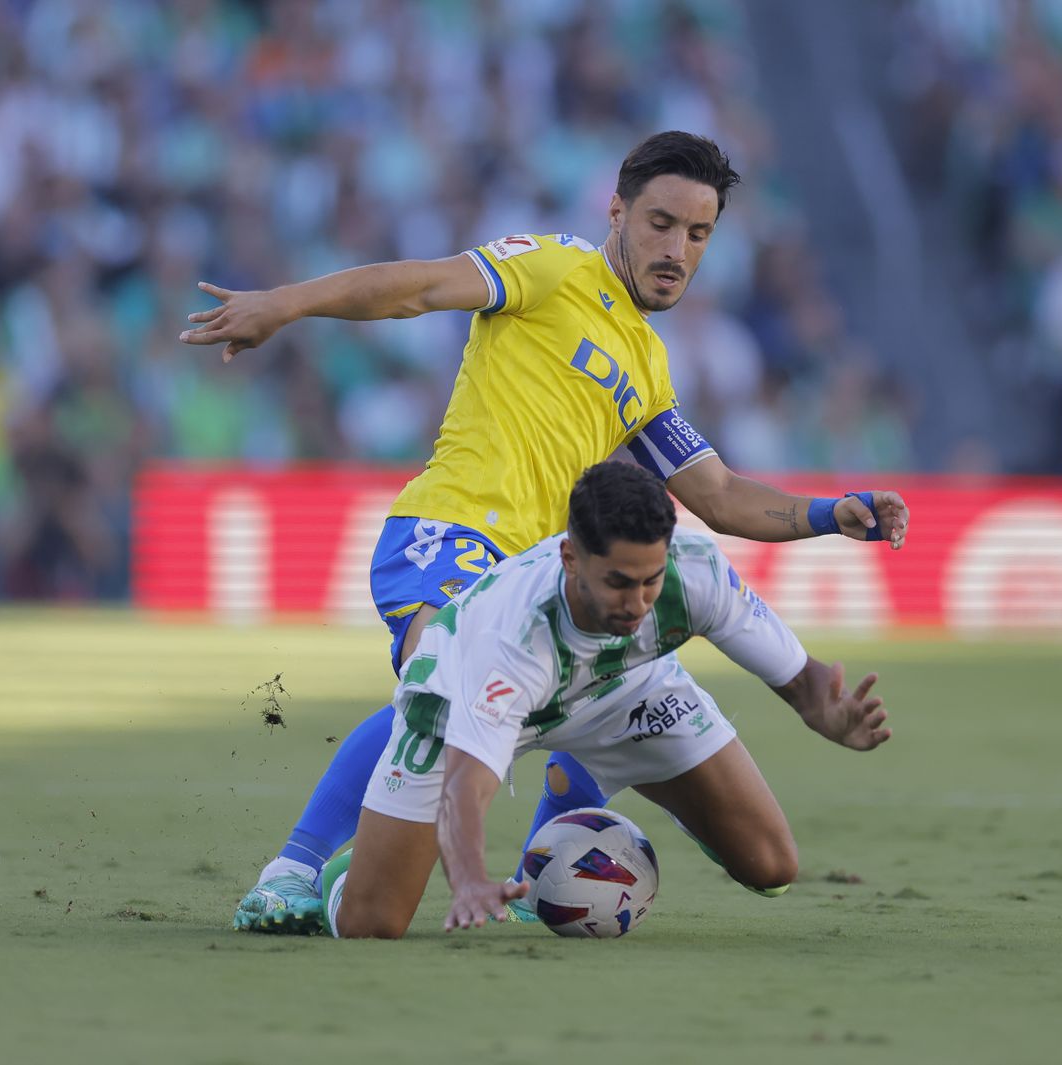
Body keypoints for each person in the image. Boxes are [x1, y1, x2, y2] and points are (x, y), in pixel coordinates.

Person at [179, 131, 910, 933]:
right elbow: (420, 288)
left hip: (547, 575)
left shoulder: (648, 365)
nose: (677, 250)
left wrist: (827, 515)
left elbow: (721, 494)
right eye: (661, 223)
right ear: (617, 211)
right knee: (444, 680)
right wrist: (283, 304)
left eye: (698, 234)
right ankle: (296, 869)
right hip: (451, 532)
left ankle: (544, 857)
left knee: (713, 806)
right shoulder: (553, 266)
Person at [322, 461, 892, 938]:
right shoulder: (513, 639)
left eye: (650, 581)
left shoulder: (695, 574)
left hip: (623, 691)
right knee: (371, 925)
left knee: (773, 865)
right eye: (619, 582)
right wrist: (469, 878)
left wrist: (827, 715)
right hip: (452, 701)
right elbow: (466, 786)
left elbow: (803, 679)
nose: (638, 602)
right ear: (570, 558)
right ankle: (344, 873)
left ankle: (586, 772)